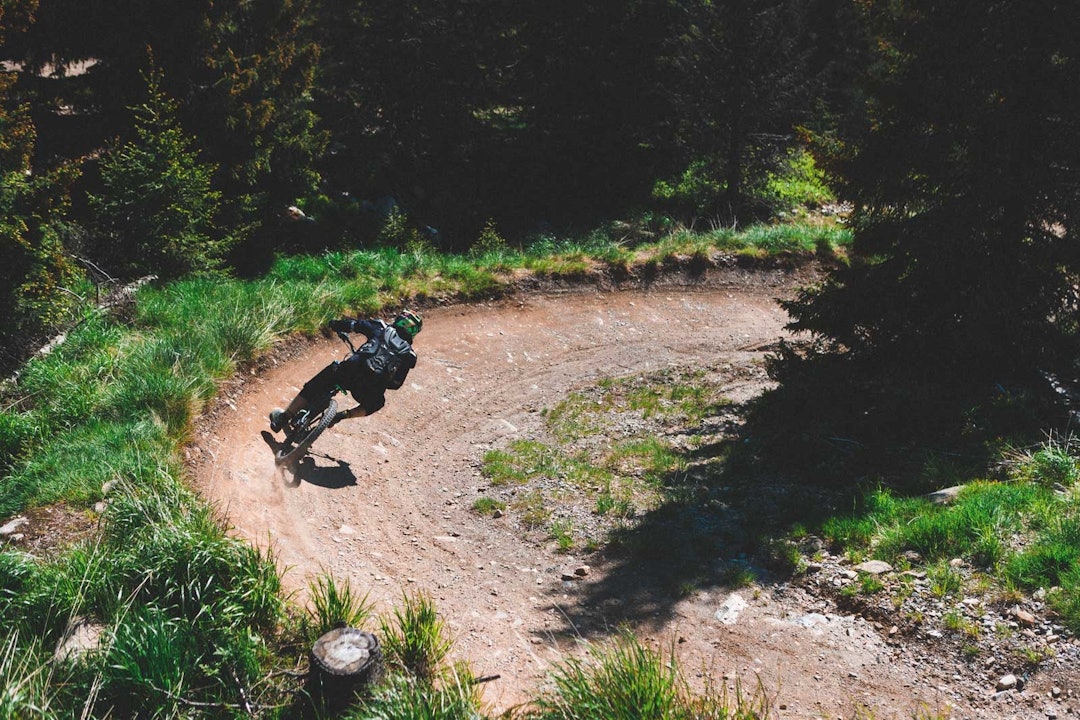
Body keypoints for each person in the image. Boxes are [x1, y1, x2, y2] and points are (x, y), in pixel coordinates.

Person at [269, 309, 422, 433]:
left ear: (399, 320)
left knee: (317, 384)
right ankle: (343, 415)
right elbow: (396, 384)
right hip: (368, 390)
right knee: (378, 402)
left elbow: (353, 325)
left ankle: (284, 417)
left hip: (349, 372)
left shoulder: (380, 327)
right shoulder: (409, 356)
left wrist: (335, 324)